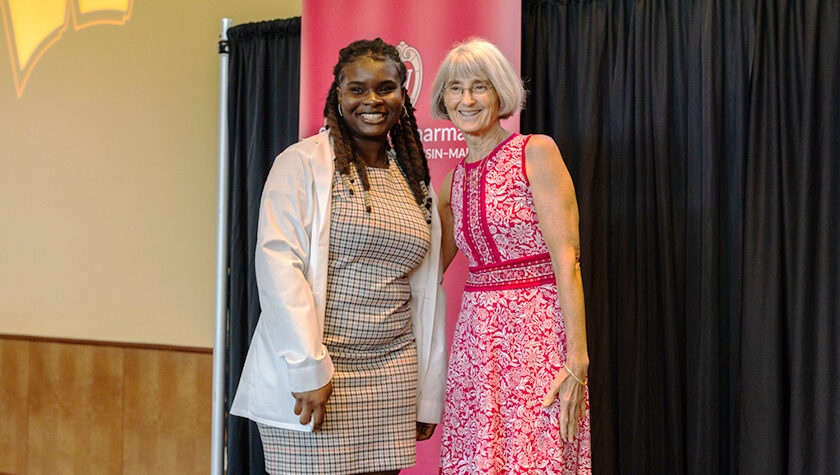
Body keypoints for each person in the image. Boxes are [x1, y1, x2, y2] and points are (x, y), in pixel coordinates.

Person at [230, 38, 447, 475]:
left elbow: (428, 294)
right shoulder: (302, 163)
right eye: (357, 88)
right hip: (318, 375)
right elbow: (278, 266)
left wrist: (426, 393)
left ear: (404, 96)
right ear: (337, 95)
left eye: (386, 87)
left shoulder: (415, 179)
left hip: (392, 377)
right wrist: (309, 369)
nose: (372, 100)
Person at [431, 38, 592, 473]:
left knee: (536, 458)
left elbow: (567, 257)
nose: (466, 99)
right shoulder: (451, 184)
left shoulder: (534, 152)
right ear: (442, 99)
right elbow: (427, 273)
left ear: (500, 92)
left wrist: (577, 356)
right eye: (455, 88)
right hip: (476, 347)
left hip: (536, 337)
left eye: (479, 87)